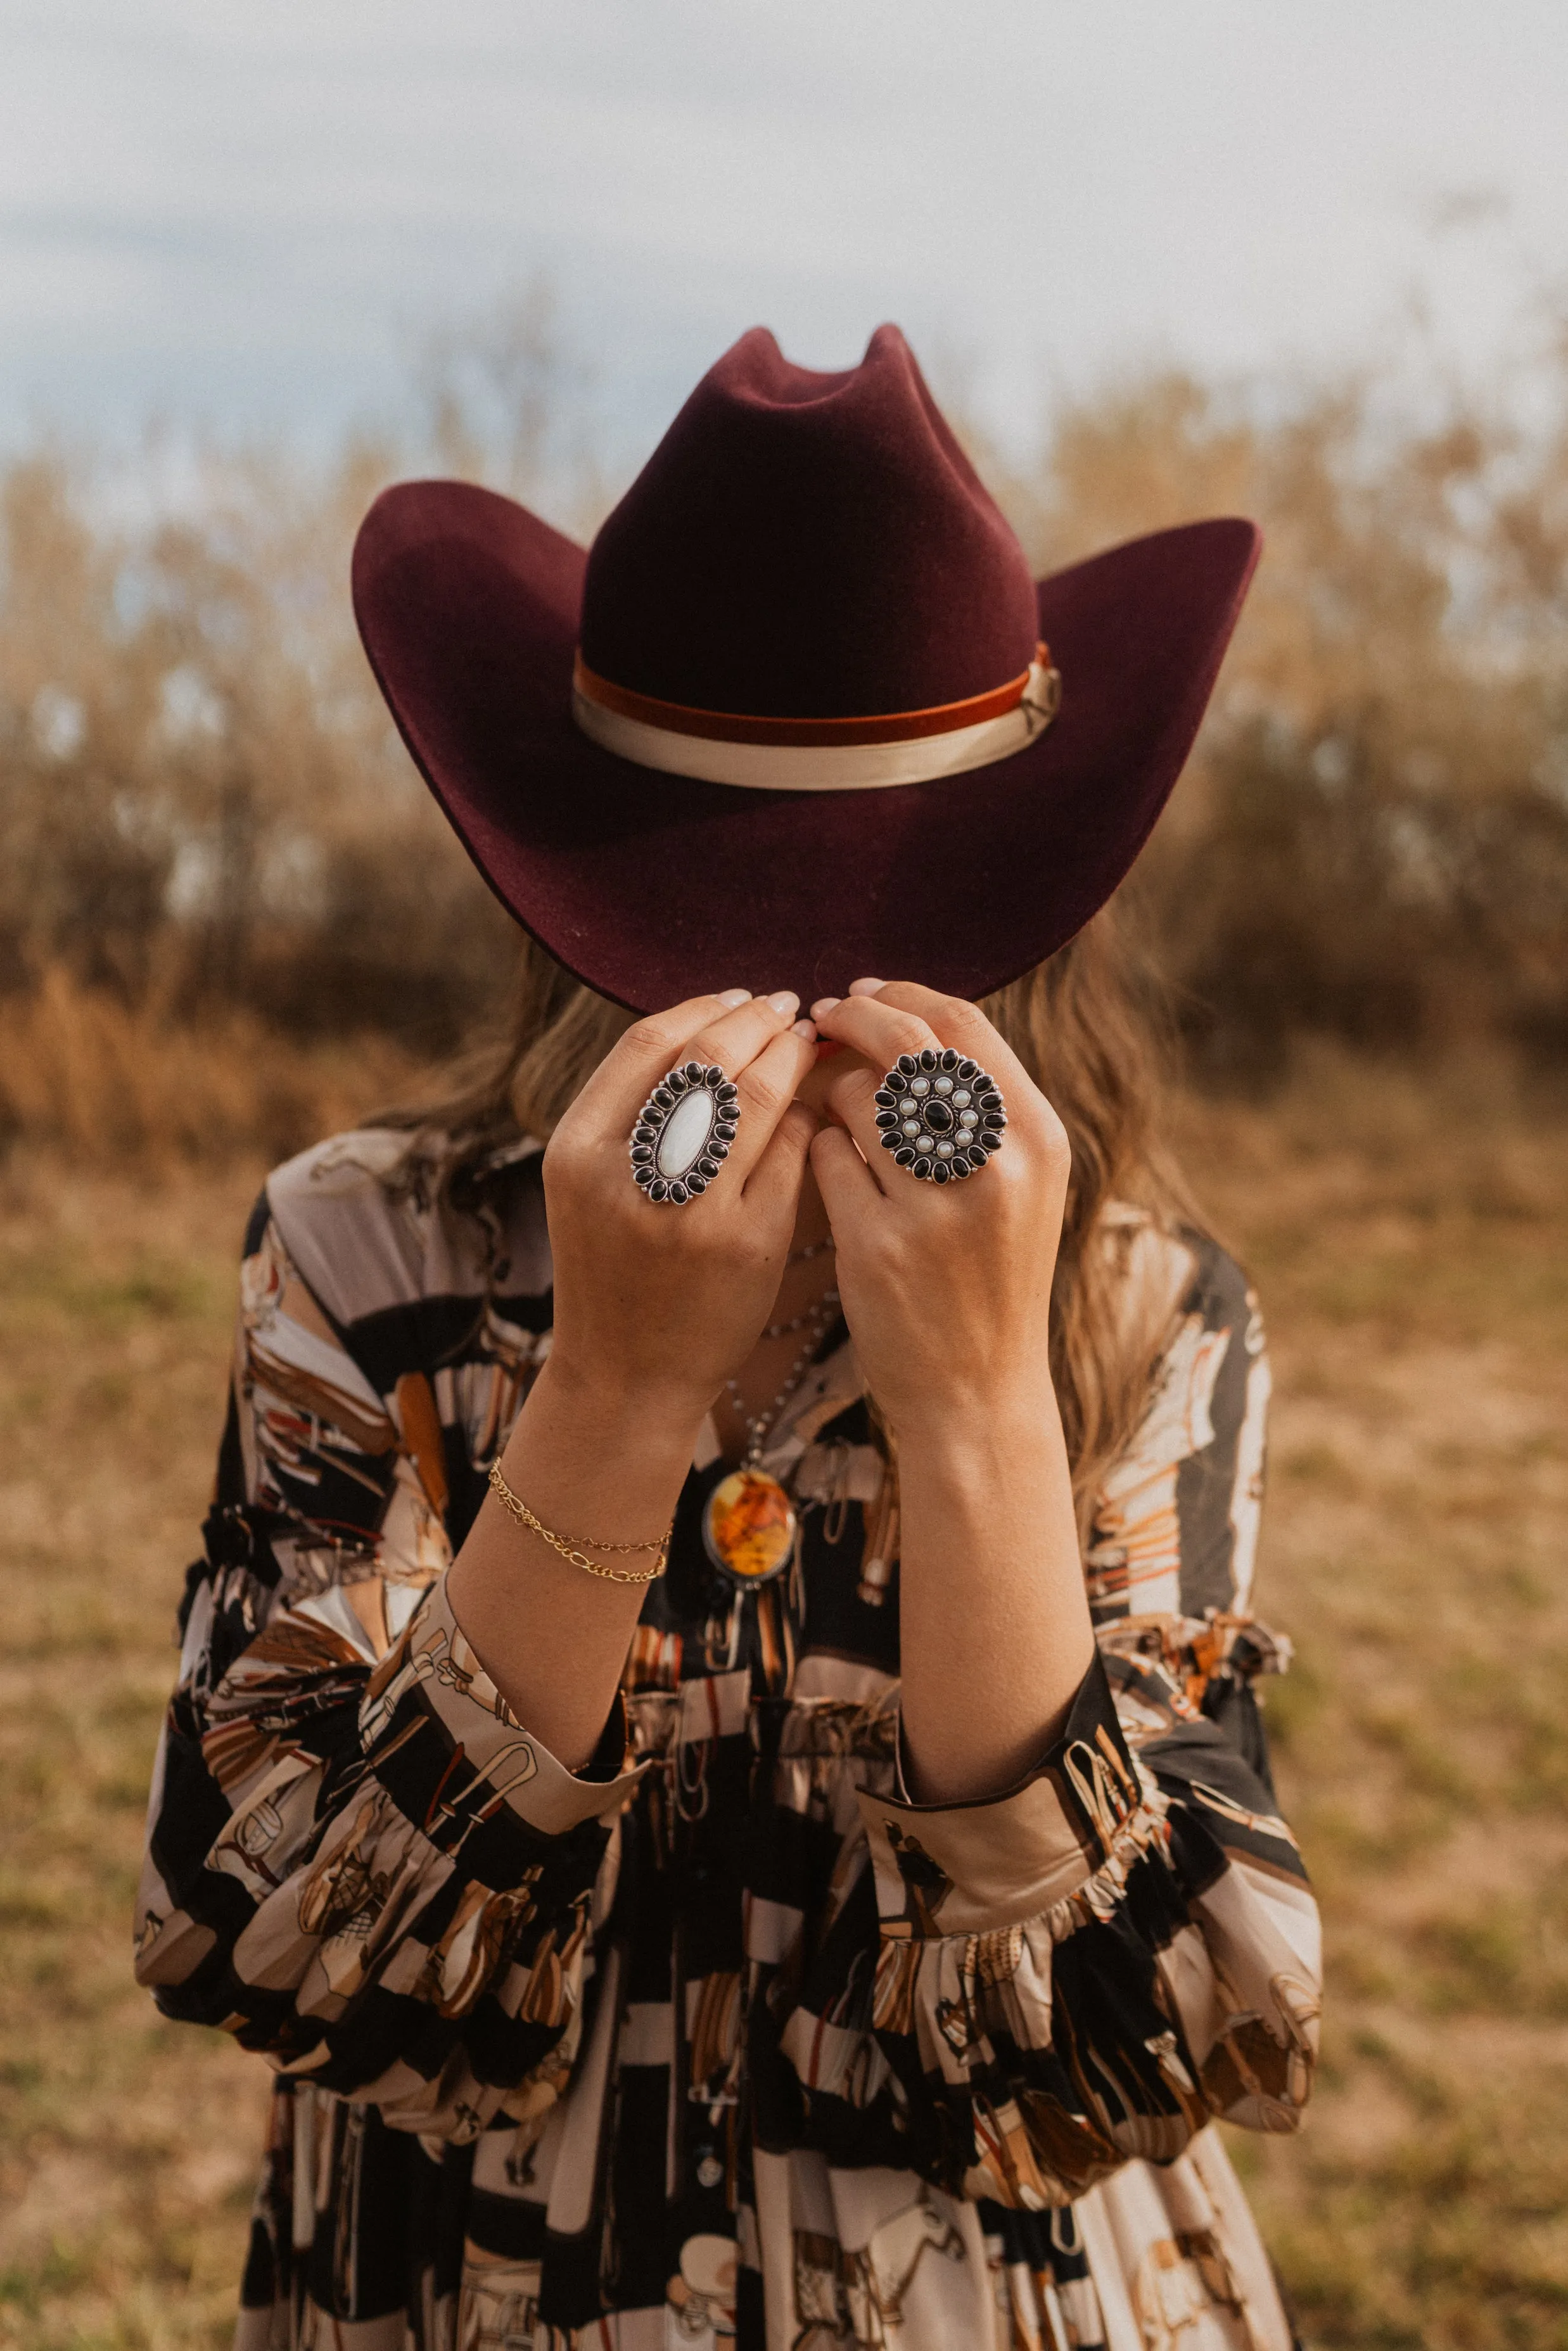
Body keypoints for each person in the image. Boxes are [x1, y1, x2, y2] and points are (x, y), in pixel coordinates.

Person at [136, 325, 1320, 2351]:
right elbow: (277, 1951)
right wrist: (608, 1393)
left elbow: (1135, 2057)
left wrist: (972, 1411)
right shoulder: (368, 1253)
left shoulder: (1139, 1306)